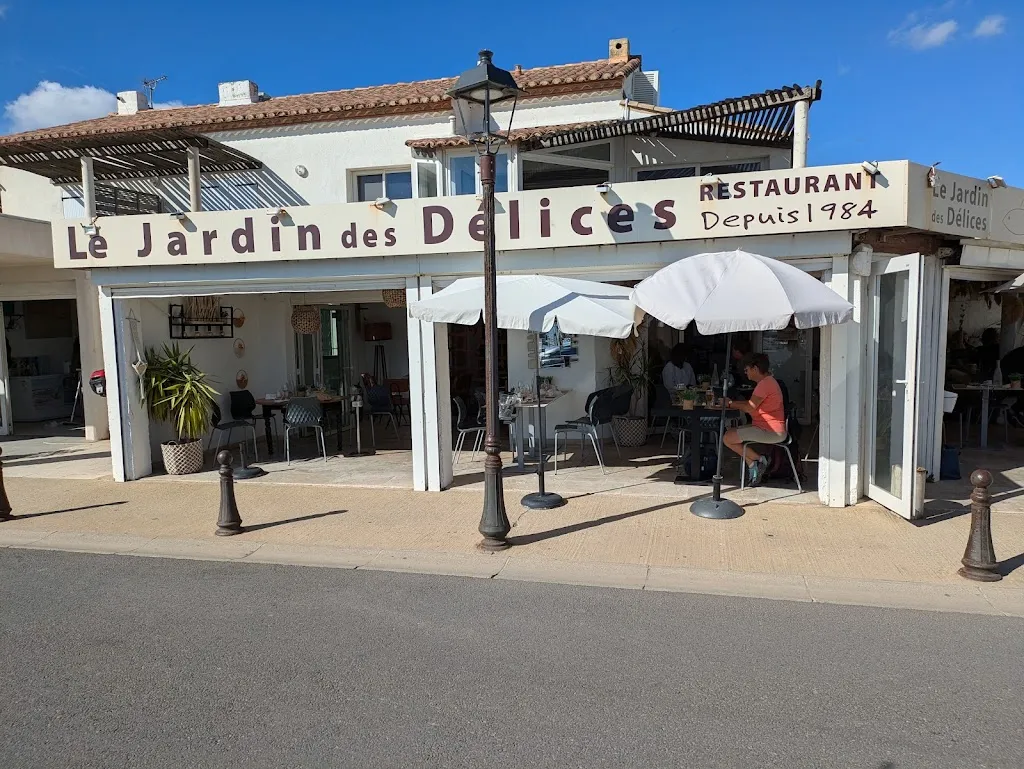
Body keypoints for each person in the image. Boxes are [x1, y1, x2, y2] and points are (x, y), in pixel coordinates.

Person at [723, 353, 787, 487]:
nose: (746, 373)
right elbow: (750, 404)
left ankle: (760, 459)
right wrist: (731, 403)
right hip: (767, 427)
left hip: (770, 431)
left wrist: (729, 404)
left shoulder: (764, 384)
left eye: (747, 370)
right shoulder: (768, 382)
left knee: (727, 438)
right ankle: (752, 463)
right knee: (730, 434)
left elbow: (749, 407)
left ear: (755, 369)